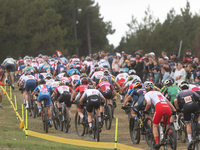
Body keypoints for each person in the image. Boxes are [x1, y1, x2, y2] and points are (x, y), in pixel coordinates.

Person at [143, 81, 176, 148]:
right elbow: (167, 101)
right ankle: (171, 135)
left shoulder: (147, 94)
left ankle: (157, 142)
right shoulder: (158, 92)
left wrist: (145, 111)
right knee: (166, 126)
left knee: (154, 125)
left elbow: (148, 103)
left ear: (146, 89)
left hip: (159, 107)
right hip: (167, 108)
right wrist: (174, 110)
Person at [174, 81, 200, 148]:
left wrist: (177, 109)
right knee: (198, 116)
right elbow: (198, 97)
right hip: (194, 105)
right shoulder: (191, 91)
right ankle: (199, 123)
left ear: (181, 88)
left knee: (188, 124)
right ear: (188, 87)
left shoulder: (179, 93)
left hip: (186, 107)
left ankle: (190, 140)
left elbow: (175, 101)